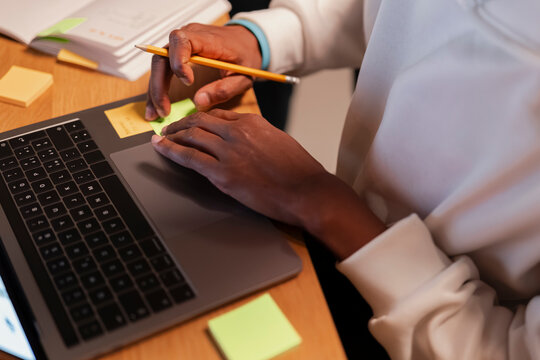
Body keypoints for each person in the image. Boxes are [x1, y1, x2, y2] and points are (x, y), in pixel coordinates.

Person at [145, 0, 540, 358]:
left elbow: (502, 350)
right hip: (334, 236)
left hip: (420, 328)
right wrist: (267, 37)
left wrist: (323, 203)